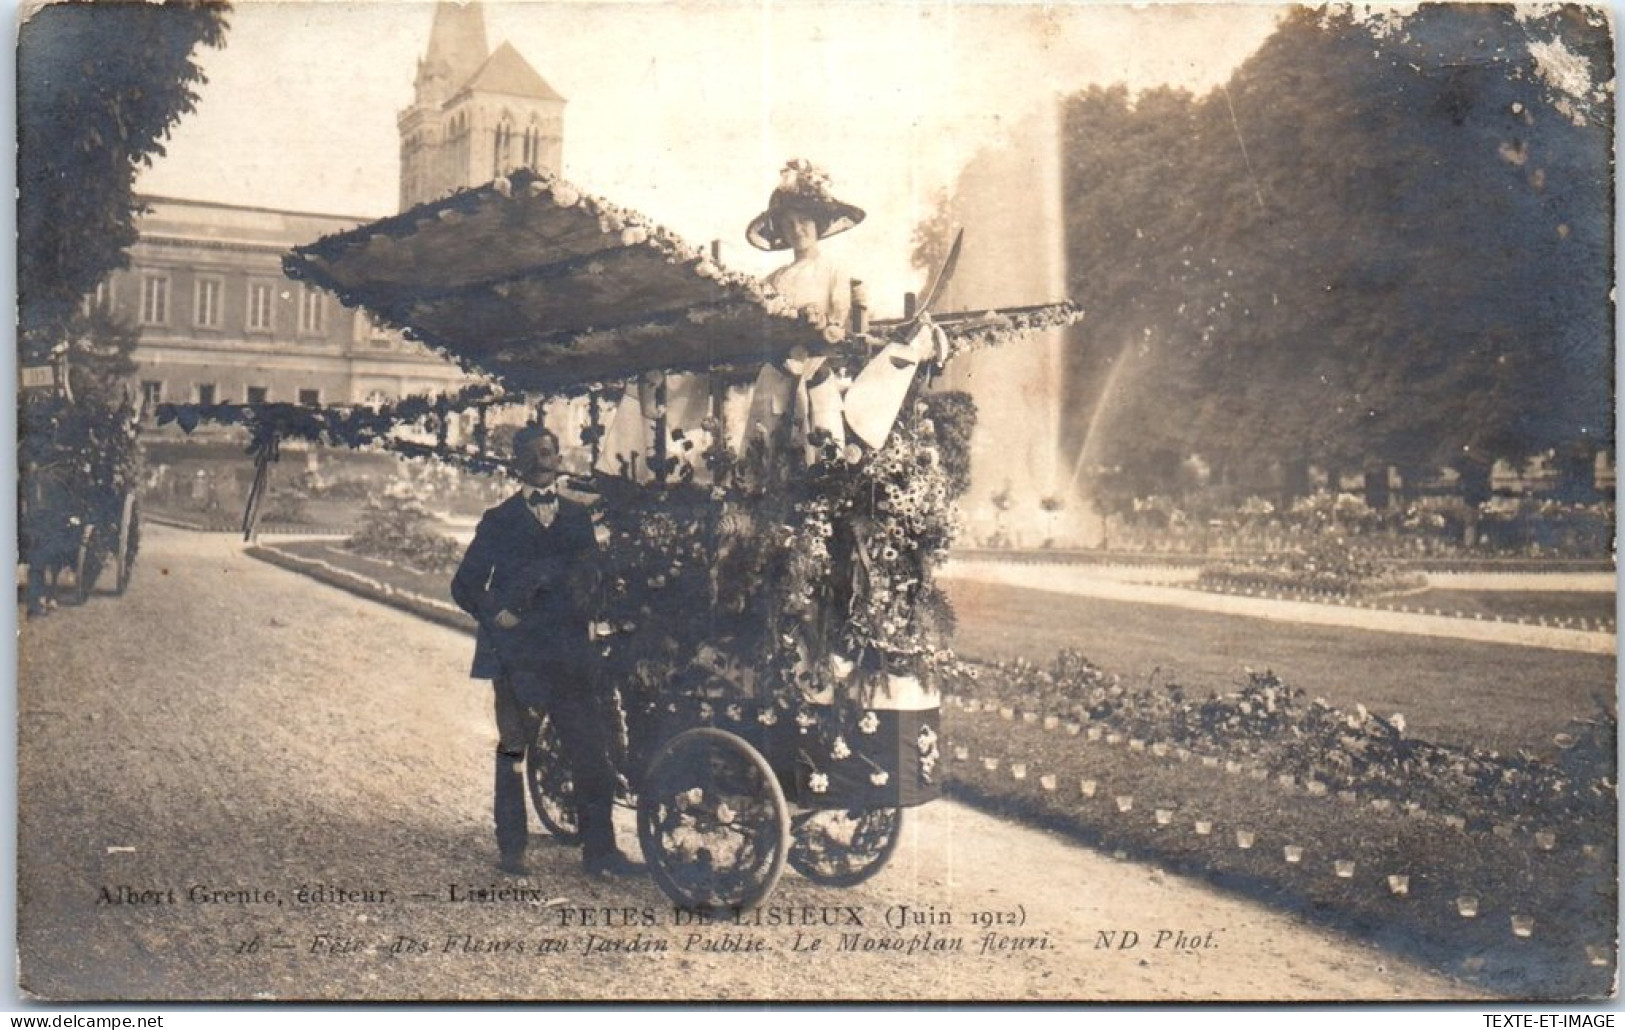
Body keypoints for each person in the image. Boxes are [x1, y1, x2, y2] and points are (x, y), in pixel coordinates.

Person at [451, 425, 643, 878]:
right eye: (534, 453)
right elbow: (465, 585)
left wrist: (596, 611)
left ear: (558, 459)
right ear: (518, 461)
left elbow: (590, 578)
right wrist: (497, 614)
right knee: (514, 750)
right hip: (517, 655)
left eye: (550, 452)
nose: (544, 459)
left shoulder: (576, 518)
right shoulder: (499, 520)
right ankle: (512, 846)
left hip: (568, 654)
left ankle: (600, 853)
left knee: (590, 751)